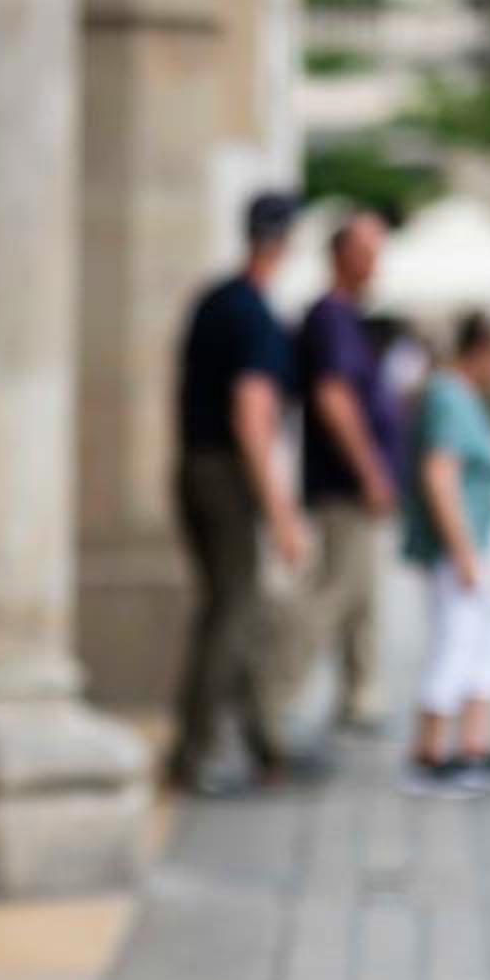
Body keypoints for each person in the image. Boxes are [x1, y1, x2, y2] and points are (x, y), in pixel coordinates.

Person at [171, 190, 315, 796]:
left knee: (236, 607)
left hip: (196, 465)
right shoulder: (253, 313)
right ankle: (197, 752)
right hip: (227, 472)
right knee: (231, 613)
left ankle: (264, 741)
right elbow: (252, 417)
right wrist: (282, 515)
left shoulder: (215, 300)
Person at [399, 312, 490, 797]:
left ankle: (472, 746)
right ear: (483, 349)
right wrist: (463, 552)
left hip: (479, 537)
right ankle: (429, 754)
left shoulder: (463, 396)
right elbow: (440, 477)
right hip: (461, 544)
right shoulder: (449, 397)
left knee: (479, 643)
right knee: (454, 644)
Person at [287, 211, 401, 739]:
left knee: (360, 596)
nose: (377, 264)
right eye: (369, 252)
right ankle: (278, 698)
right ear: (343, 256)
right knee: (332, 595)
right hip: (342, 485)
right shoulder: (329, 317)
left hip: (352, 486)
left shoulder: (348, 317)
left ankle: (359, 695)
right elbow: (333, 398)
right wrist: (370, 469)